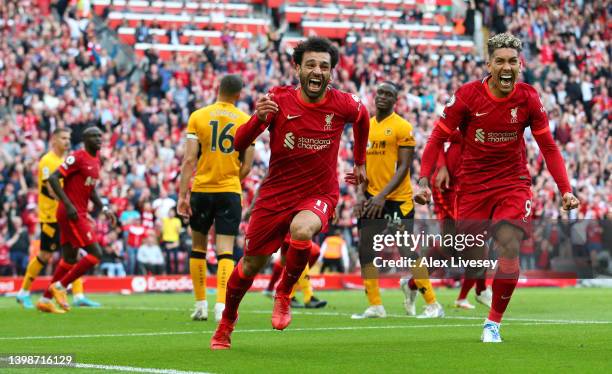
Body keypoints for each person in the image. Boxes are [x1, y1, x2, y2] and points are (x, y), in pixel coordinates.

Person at [415, 33, 580, 343]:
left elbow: (548, 146)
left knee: (509, 245)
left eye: (513, 62)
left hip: (512, 183)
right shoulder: (466, 96)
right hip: (473, 187)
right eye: (500, 61)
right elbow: (436, 138)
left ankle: (493, 323)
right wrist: (424, 179)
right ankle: (432, 283)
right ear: (488, 64)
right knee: (470, 254)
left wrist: (565, 189)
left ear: (521, 65)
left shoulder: (528, 98)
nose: (507, 67)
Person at [210, 36, 369, 350]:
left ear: (331, 73)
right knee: (250, 266)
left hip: (319, 192)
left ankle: (284, 293)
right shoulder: (278, 99)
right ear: (298, 68)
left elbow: (363, 119)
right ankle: (227, 321)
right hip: (276, 194)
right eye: (310, 64)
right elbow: (239, 144)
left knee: (302, 230)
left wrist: (361, 162)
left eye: (324, 66)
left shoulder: (343, 103)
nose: (317, 71)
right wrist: (258, 119)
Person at [350, 82, 443, 320]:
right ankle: (375, 305)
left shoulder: (403, 127)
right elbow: (361, 165)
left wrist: (382, 196)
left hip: (397, 200)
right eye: (379, 92)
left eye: (388, 94)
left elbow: (404, 168)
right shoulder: (365, 126)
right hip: (371, 198)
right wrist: (361, 194)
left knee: (406, 250)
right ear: (374, 95)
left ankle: (433, 304)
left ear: (395, 100)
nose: (382, 97)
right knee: (365, 249)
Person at [177, 74, 254, 323]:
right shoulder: (245, 120)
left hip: (201, 189)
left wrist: (182, 194)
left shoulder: (198, 116)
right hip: (229, 191)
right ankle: (221, 306)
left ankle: (200, 305)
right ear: (239, 95)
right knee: (225, 251)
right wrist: (233, 179)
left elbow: (189, 160)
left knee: (198, 248)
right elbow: (248, 165)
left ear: (217, 89)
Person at [18, 128, 100, 311]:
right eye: (63, 138)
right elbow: (49, 188)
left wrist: (80, 210)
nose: (67, 141)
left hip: (68, 213)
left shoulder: (68, 159)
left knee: (74, 252)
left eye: (69, 138)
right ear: (53, 140)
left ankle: (76, 295)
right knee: (45, 255)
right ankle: (23, 292)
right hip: (50, 215)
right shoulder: (47, 161)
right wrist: (70, 205)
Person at [37, 126, 117, 314]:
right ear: (85, 139)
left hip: (76, 211)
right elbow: (54, 178)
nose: (98, 139)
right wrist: (69, 204)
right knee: (95, 254)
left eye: (100, 136)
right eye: (94, 136)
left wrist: (103, 207)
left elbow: (91, 189)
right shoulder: (77, 157)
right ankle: (61, 286)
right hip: (71, 213)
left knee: (69, 259)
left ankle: (44, 299)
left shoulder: (96, 160)